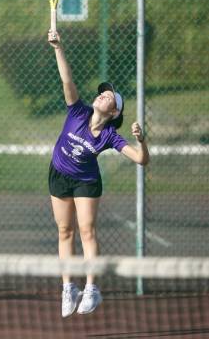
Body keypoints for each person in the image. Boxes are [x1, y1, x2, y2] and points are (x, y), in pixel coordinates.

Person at [48, 30, 150, 318]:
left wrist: (141, 139)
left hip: (86, 182)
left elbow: (141, 160)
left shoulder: (110, 136)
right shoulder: (77, 111)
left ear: (115, 112)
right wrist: (58, 47)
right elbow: (67, 80)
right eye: (102, 92)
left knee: (87, 231)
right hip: (58, 174)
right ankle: (69, 287)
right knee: (65, 231)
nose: (103, 94)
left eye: (109, 96)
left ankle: (91, 288)